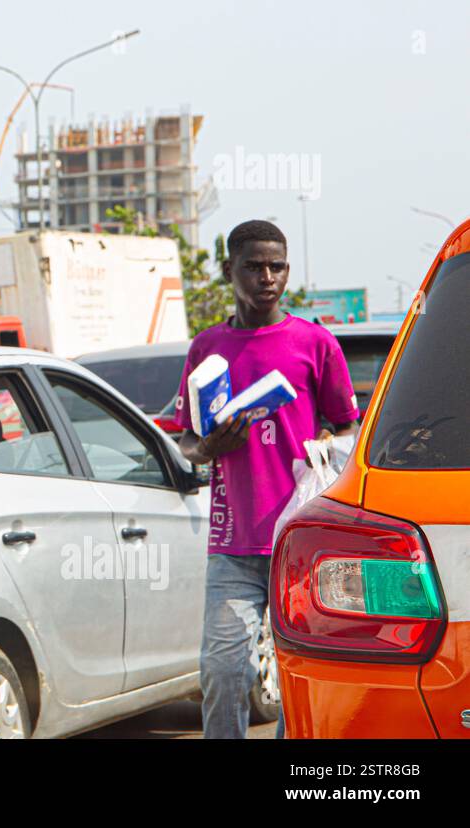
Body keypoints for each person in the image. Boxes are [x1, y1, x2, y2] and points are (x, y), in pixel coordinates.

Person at [176, 220, 359, 739]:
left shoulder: (316, 343)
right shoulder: (206, 349)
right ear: (228, 270)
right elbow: (186, 441)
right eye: (254, 267)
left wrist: (326, 446)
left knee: (300, 677)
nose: (267, 277)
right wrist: (211, 446)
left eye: (276, 266)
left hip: (302, 540)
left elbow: (347, 427)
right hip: (233, 544)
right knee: (224, 672)